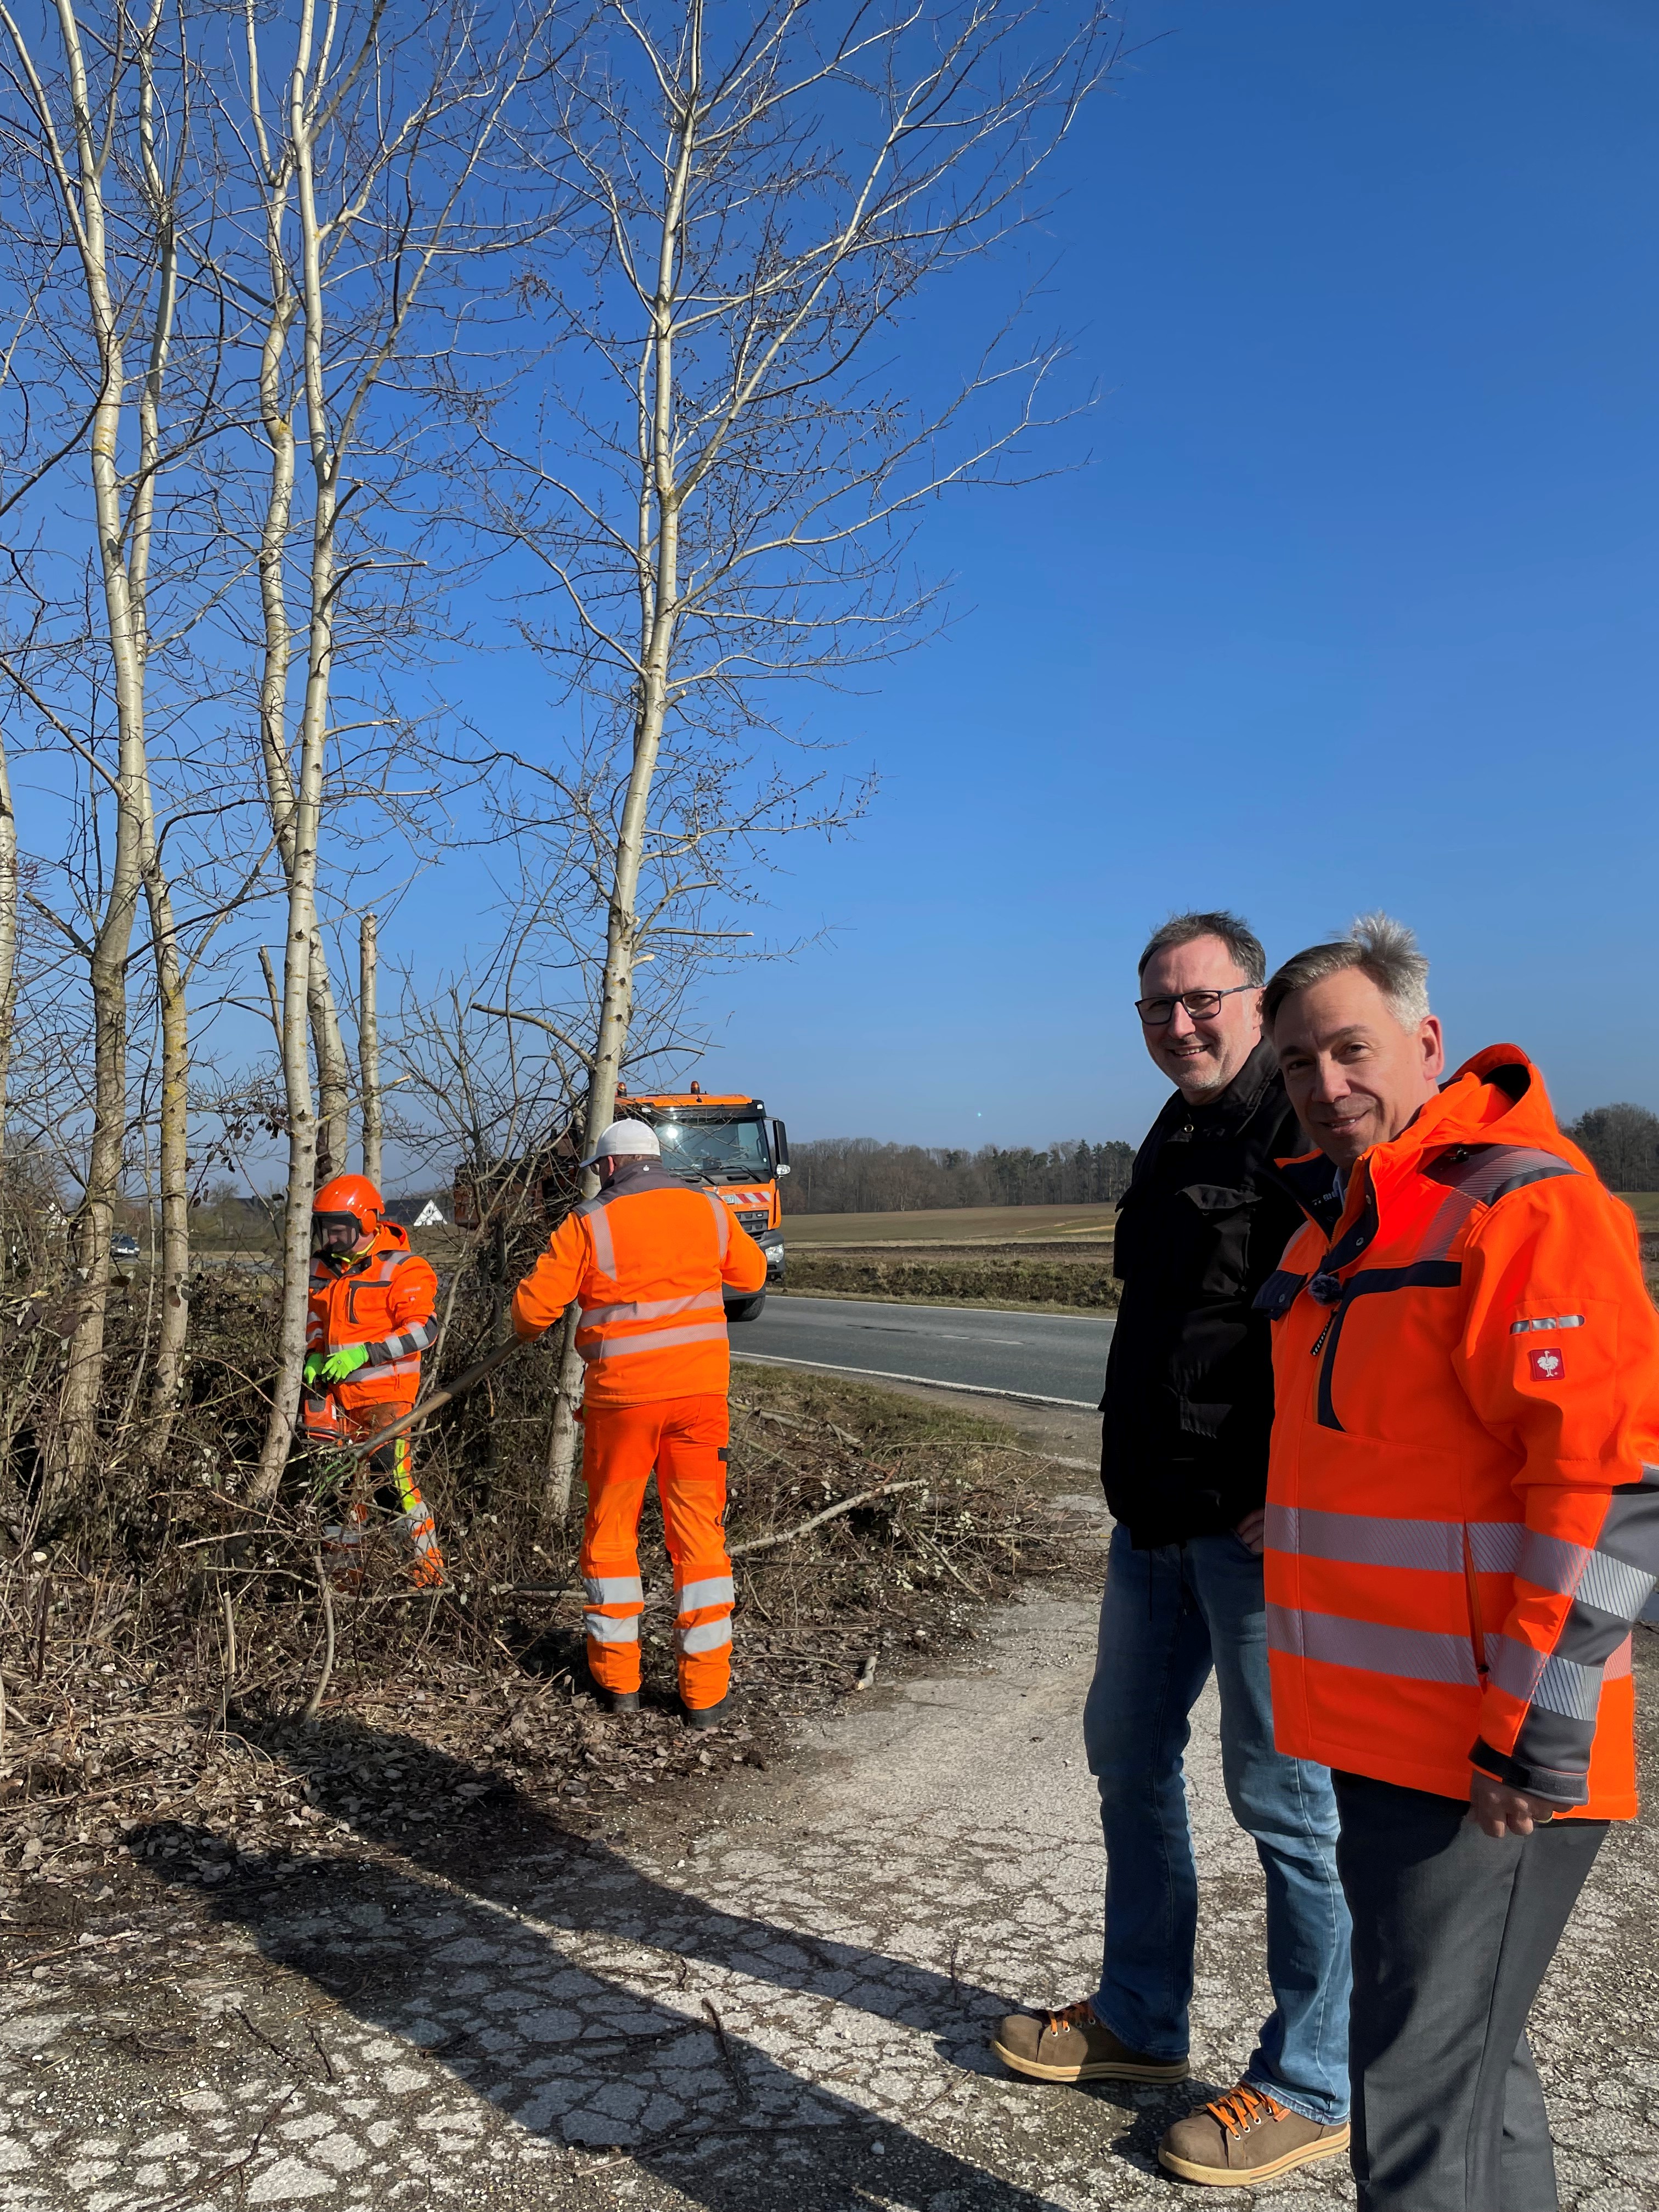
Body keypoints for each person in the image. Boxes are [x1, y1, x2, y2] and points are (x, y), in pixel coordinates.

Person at [1256, 913, 1658, 2211]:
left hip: (1485, 1758)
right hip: (1388, 1738)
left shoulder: (1522, 1208)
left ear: (1427, 1042)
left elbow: (1612, 1488)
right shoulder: (1340, 1231)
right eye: (1299, 1063)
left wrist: (1534, 1735)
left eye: (1351, 1050)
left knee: (1418, 2103)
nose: (1325, 1085)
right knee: (1468, 2071)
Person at [993, 911, 1353, 2187]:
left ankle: (1313, 2079)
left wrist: (1307, 1489)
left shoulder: (1305, 1131)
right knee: (1127, 1759)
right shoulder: (1174, 1130)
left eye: (1204, 1000)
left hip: (1257, 1537)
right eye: (1159, 1004)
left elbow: (1357, 1331)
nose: (1181, 1023)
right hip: (1153, 1517)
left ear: (1256, 1000)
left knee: (1288, 1805)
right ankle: (1143, 2017)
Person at [511, 1117, 768, 1726]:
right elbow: (752, 1276)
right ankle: (705, 1695)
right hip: (700, 1400)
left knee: (611, 1535)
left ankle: (619, 1683)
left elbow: (529, 1315)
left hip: (623, 1405)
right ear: (656, 1159)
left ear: (607, 1166)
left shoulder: (589, 1222)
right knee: (699, 1537)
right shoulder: (709, 1210)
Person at [303, 1173, 444, 1587]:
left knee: (391, 1484)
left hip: (386, 1396)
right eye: (325, 1228)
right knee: (333, 1489)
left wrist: (365, 1353)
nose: (331, 1238)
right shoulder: (320, 1267)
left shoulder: (404, 1268)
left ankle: (427, 1575)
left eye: (340, 1229)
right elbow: (314, 1318)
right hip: (334, 1397)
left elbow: (424, 1330)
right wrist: (314, 1351)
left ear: (366, 1223)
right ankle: (343, 1581)